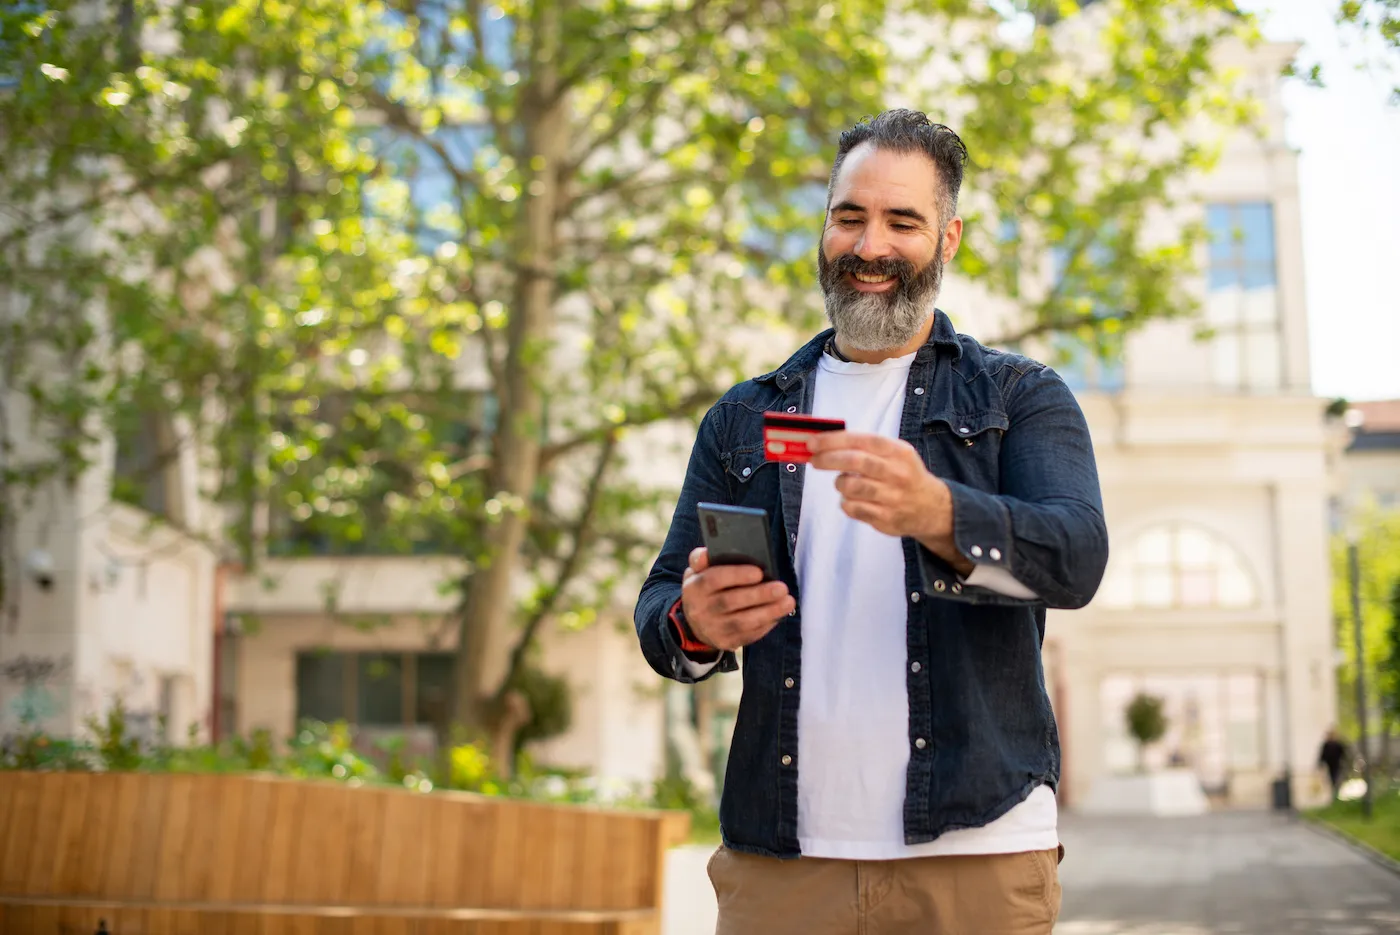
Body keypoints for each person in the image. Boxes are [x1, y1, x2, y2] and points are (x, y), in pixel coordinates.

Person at [634, 109, 1109, 935]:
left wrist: (942, 514)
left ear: (949, 238)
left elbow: (1073, 562)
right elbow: (661, 607)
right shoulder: (743, 418)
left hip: (977, 857)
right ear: (824, 225)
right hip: (782, 864)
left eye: (902, 221)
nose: (869, 246)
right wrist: (695, 623)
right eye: (849, 216)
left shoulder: (1018, 398)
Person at [1318, 728, 1348, 800]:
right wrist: (1320, 763)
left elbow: (1344, 754)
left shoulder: (1338, 744)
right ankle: (1335, 795)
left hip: (1337, 765)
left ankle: (1336, 794)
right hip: (1330, 765)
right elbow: (1323, 755)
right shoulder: (1326, 745)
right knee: (1332, 779)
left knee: (1336, 778)